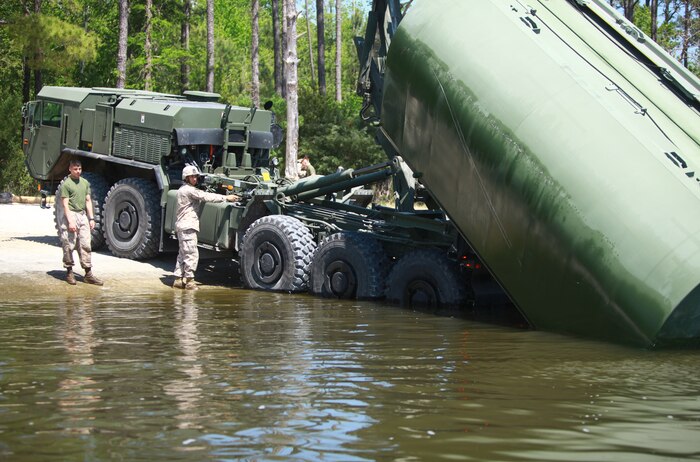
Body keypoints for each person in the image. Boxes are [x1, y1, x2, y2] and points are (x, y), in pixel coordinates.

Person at [173, 165, 240, 290]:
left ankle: (178, 279)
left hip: (182, 226)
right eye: (192, 177)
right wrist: (226, 198)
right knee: (191, 254)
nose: (195, 179)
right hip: (188, 226)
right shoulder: (189, 190)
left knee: (183, 253)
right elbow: (206, 196)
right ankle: (189, 281)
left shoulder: (182, 189)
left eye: (195, 176)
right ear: (186, 178)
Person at [59, 159, 103, 286]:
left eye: (79, 169)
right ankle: (69, 272)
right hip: (71, 214)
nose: (78, 171)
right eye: (75, 169)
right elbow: (65, 205)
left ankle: (88, 274)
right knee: (69, 244)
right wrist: (70, 222)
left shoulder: (85, 183)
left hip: (82, 214)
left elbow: (88, 201)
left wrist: (91, 218)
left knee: (85, 244)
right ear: (70, 169)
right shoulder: (66, 184)